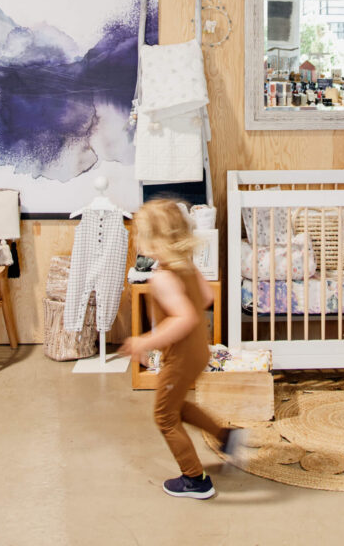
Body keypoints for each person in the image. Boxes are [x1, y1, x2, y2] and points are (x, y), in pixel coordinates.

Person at [119, 197, 238, 500]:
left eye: (140, 234)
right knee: (176, 405)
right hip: (199, 351)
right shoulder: (186, 267)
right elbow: (204, 298)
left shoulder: (163, 278)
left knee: (164, 416)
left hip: (182, 357)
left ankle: (195, 479)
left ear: (154, 241)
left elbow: (183, 317)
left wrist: (144, 340)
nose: (137, 240)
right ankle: (227, 437)